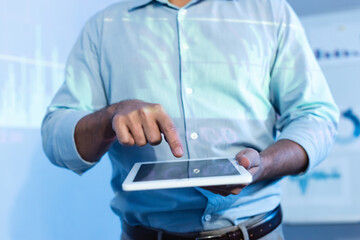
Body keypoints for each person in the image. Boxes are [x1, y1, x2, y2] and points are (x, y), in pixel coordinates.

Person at [41, 0, 339, 239]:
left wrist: (265, 164)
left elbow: (316, 116)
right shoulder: (103, 27)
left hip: (259, 230)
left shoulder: (270, 11)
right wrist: (110, 116)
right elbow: (56, 137)